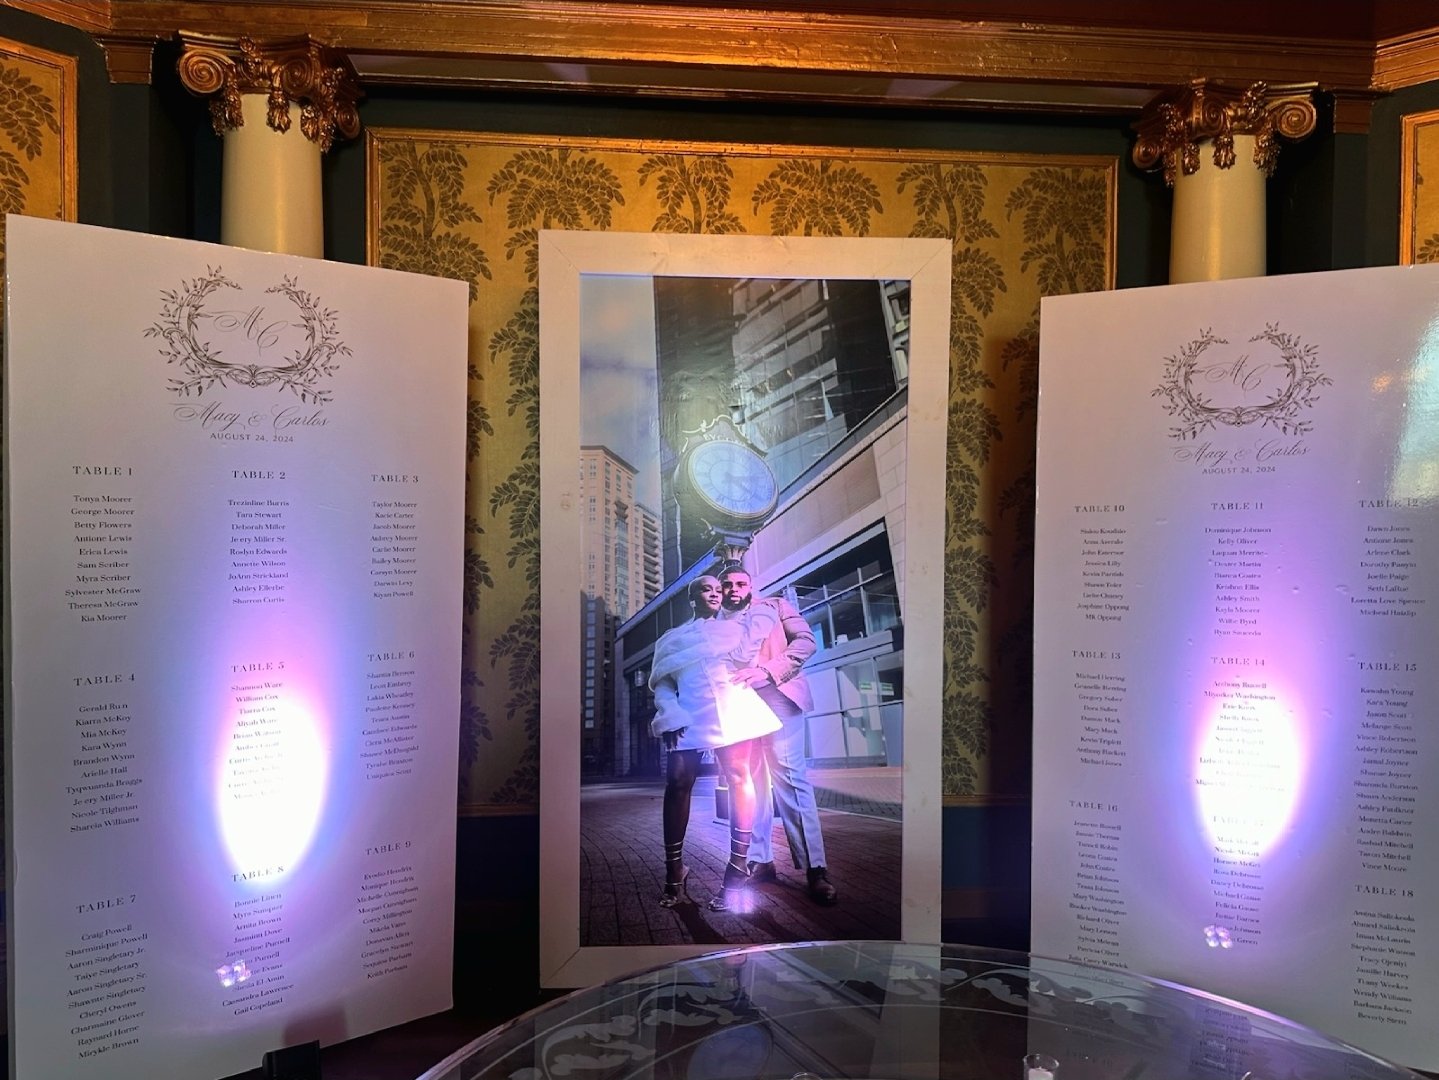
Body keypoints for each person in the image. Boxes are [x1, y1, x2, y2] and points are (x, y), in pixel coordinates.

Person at [649, 574, 781, 912]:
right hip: (688, 714)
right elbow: (662, 683)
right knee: (677, 782)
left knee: (739, 778)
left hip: (731, 706)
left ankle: (737, 870)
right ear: (692, 598)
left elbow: (748, 657)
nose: (714, 594)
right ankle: (674, 870)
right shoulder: (671, 639)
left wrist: (761, 619)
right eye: (705, 589)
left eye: (718, 590)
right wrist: (669, 713)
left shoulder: (736, 628)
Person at [719, 565, 839, 905]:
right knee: (750, 784)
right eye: (727, 584)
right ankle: (761, 860)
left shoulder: (775, 605)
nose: (733, 589)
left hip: (779, 697)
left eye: (740, 583)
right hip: (737, 706)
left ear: (750, 586)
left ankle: (816, 868)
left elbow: (806, 642)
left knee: (789, 776)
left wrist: (768, 671)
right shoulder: (715, 622)